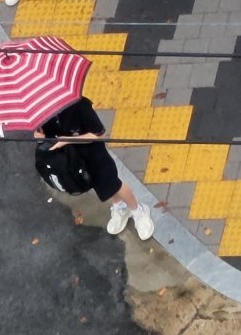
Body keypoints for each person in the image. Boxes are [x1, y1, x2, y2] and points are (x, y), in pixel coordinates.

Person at [36, 96, 154, 239]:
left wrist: (67, 141)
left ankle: (138, 210)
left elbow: (98, 134)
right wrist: (40, 135)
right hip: (76, 160)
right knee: (102, 188)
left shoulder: (80, 106)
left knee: (113, 185)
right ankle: (120, 207)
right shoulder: (44, 112)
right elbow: (45, 135)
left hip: (95, 156)